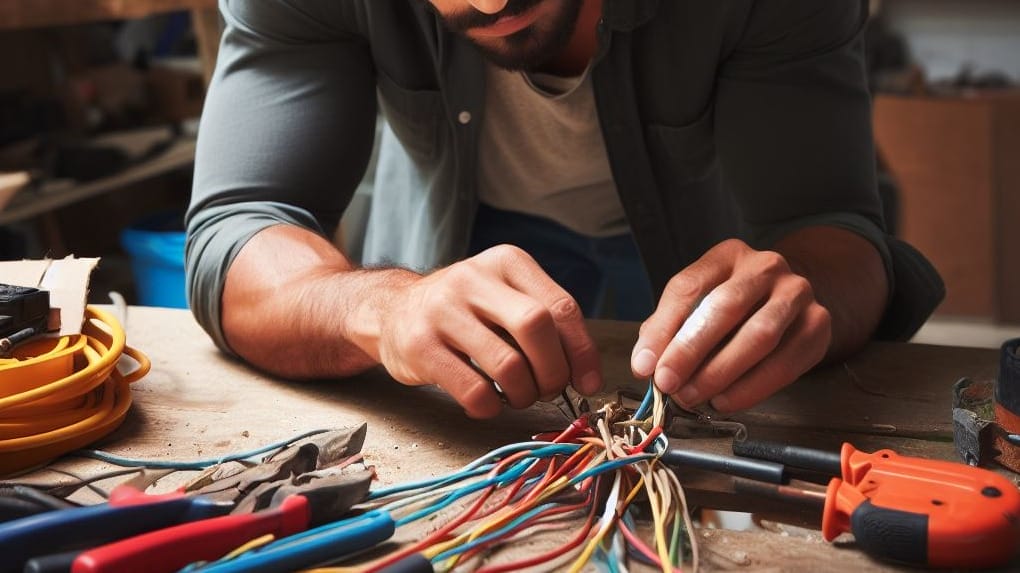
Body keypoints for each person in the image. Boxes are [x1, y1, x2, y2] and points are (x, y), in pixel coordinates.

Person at [186, 0, 944, 419]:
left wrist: (801, 290)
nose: (488, 0)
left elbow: (838, 229)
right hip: (444, 258)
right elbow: (240, 226)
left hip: (693, 269)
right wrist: (384, 308)